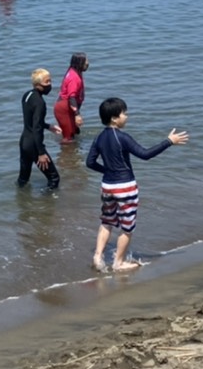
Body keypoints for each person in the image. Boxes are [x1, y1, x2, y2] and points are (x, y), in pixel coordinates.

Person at [86, 97, 190, 271]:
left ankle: (98, 256)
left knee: (107, 222)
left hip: (107, 186)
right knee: (127, 227)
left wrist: (107, 171)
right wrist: (169, 141)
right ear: (114, 118)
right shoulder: (122, 137)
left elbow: (90, 162)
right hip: (125, 187)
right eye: (124, 113)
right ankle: (118, 263)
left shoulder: (99, 138)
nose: (126, 116)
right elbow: (145, 154)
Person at [18, 69, 60, 189]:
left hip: (24, 142)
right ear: (37, 85)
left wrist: (48, 126)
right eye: (47, 82)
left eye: (50, 80)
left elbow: (31, 121)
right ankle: (48, 205)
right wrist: (41, 153)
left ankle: (22, 203)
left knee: (23, 178)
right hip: (34, 145)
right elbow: (36, 128)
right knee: (54, 178)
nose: (50, 84)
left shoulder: (27, 95)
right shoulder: (40, 102)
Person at [54, 53, 90, 142]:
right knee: (68, 137)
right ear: (79, 63)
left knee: (75, 132)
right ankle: (66, 154)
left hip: (68, 107)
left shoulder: (74, 71)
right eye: (86, 62)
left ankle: (73, 154)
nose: (88, 64)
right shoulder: (74, 78)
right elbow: (72, 97)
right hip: (65, 108)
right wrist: (77, 114)